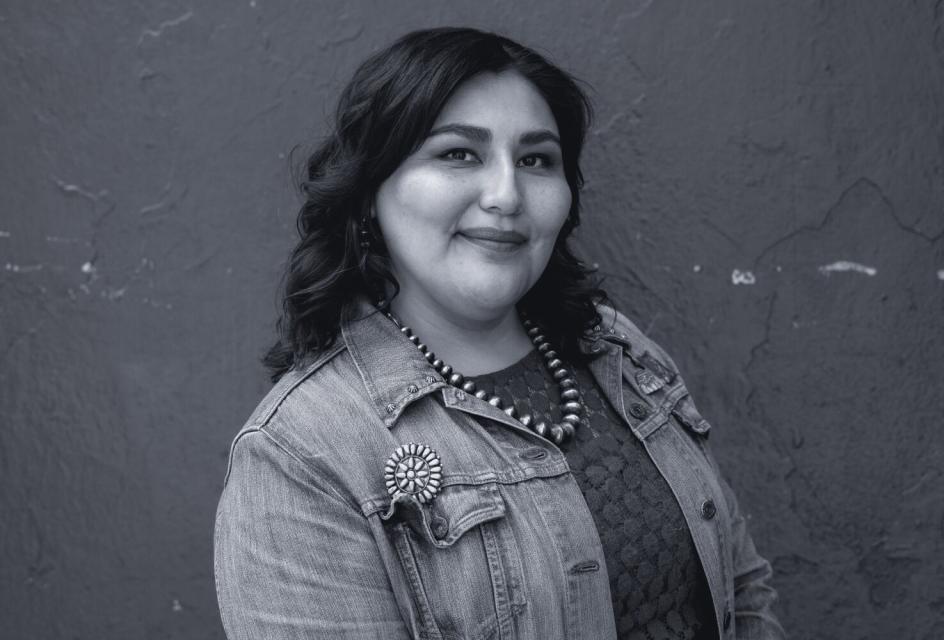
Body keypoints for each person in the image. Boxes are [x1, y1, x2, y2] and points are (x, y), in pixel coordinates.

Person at [214, 27, 785, 640]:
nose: (506, 195)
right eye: (458, 154)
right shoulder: (304, 454)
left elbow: (741, 586)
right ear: (370, 190)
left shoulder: (615, 347)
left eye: (536, 159)